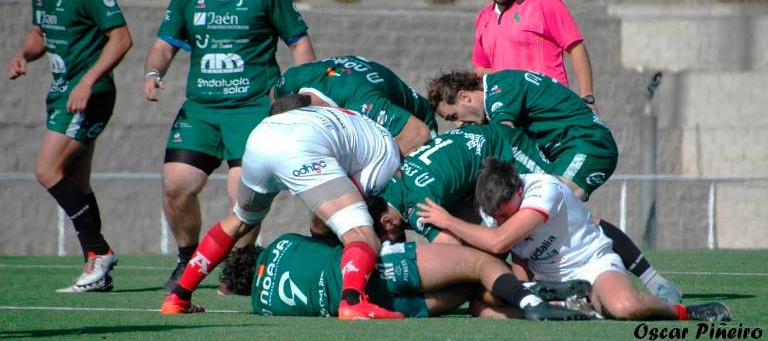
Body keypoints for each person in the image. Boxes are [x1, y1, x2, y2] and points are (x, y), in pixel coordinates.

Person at [142, 0, 316, 293]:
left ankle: (237, 267)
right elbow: (164, 43)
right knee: (176, 185)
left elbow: (299, 43)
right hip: (202, 109)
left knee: (242, 196)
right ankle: (188, 257)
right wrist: (154, 72)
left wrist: (302, 92)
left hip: (252, 107)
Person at [427, 69, 682, 304]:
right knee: (547, 219)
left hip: (587, 144)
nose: (458, 124)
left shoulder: (497, 94)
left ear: (465, 97)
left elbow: (501, 135)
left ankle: (656, 283)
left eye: (454, 116)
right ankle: (560, 292)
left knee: (574, 215)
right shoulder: (499, 88)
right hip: (566, 150)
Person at [161, 97, 402, 319]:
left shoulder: (355, 128)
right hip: (301, 143)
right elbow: (344, 215)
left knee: (238, 221)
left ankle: (178, 297)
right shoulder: (387, 157)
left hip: (260, 136)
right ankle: (353, 302)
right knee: (361, 233)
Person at [416, 158, 732, 322]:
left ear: (520, 190)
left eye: (507, 214)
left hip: (591, 265)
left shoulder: (544, 189)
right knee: (482, 309)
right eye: (496, 217)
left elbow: (499, 242)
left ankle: (682, 312)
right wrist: (521, 289)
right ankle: (577, 307)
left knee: (625, 308)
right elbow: (519, 254)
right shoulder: (493, 211)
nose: (501, 221)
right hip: (547, 280)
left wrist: (448, 222)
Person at [6, 0, 133, 292]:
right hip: (62, 94)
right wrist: (24, 55)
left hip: (89, 96)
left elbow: (121, 38)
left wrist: (88, 81)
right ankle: (95, 269)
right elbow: (39, 32)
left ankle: (100, 250)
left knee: (47, 170)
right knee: (76, 180)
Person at [236, 232, 590, 320]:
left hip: (386, 305)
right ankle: (533, 297)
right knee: (480, 265)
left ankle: (557, 304)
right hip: (379, 270)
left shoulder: (261, 307)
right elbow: (330, 240)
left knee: (471, 295)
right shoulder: (281, 243)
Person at [373, 123, 551, 244]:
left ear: (387, 221)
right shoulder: (384, 187)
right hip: (479, 141)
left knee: (556, 195)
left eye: (385, 241)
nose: (388, 246)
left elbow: (451, 247)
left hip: (501, 145)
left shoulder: (416, 208)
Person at [473, 0, 597, 112]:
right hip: (509, 115)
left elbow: (576, 49)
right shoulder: (483, 18)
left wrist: (587, 98)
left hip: (548, 110)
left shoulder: (545, 5)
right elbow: (482, 69)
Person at [274, 55, 437, 155]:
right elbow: (273, 96)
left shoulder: (363, 103)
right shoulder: (290, 80)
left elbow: (418, 133)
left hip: (417, 127)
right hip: (352, 85)